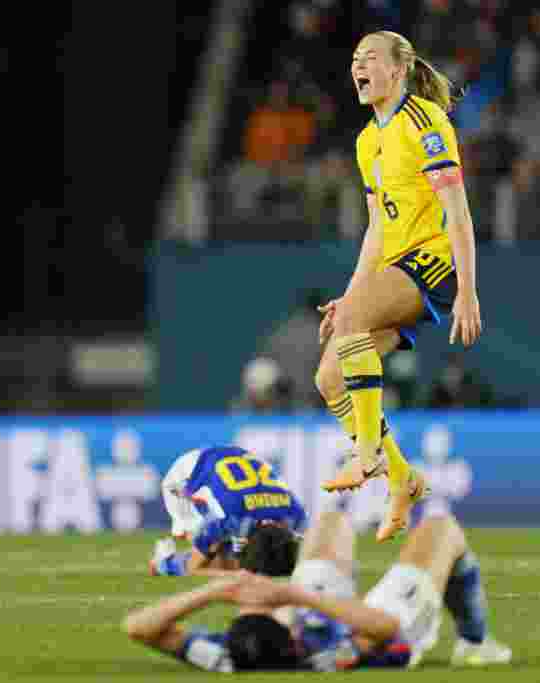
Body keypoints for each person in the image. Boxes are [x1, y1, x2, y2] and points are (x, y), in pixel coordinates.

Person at [314, 31, 483, 541]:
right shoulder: (368, 141)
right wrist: (352, 295)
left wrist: (470, 291)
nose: (358, 67)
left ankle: (366, 453)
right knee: (329, 378)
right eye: (353, 59)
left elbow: (458, 211)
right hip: (395, 264)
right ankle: (403, 477)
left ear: (398, 69)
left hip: (433, 262)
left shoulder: (425, 122)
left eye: (369, 58)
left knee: (351, 332)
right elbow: (376, 230)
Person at [122, 511, 512, 671]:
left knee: (329, 523)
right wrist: (296, 598)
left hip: (316, 609)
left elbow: (138, 627)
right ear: (291, 634)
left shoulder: (227, 655)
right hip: (379, 627)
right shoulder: (325, 653)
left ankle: (311, 584)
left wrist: (216, 590)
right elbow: (384, 628)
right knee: (441, 530)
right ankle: (474, 642)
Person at [150, 446, 306, 578]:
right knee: (221, 562)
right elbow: (194, 568)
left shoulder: (295, 513)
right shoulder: (227, 518)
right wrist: (237, 575)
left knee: (235, 557)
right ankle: (163, 562)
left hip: (228, 466)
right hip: (185, 477)